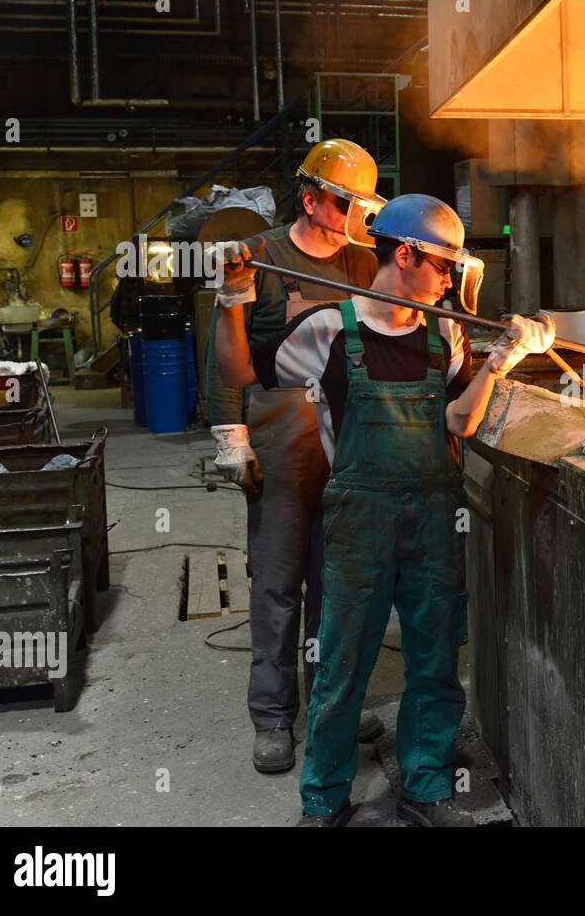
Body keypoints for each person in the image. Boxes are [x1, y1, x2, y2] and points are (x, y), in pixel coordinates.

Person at [214, 194, 554, 827]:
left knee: (433, 662)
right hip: (359, 517)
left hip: (432, 514)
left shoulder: (442, 330)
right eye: (445, 266)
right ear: (406, 255)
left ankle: (425, 788)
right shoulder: (327, 328)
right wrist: (232, 301)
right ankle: (324, 799)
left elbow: (459, 419)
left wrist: (500, 362)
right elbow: (242, 372)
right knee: (342, 665)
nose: (451, 281)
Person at [207, 138, 387, 774]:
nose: (357, 217)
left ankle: (327, 707)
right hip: (282, 439)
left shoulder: (366, 265)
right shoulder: (255, 259)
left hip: (347, 442)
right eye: (346, 203)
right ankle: (273, 717)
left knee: (335, 587)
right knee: (279, 585)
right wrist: (230, 430)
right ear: (310, 201)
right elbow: (225, 354)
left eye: (363, 206)